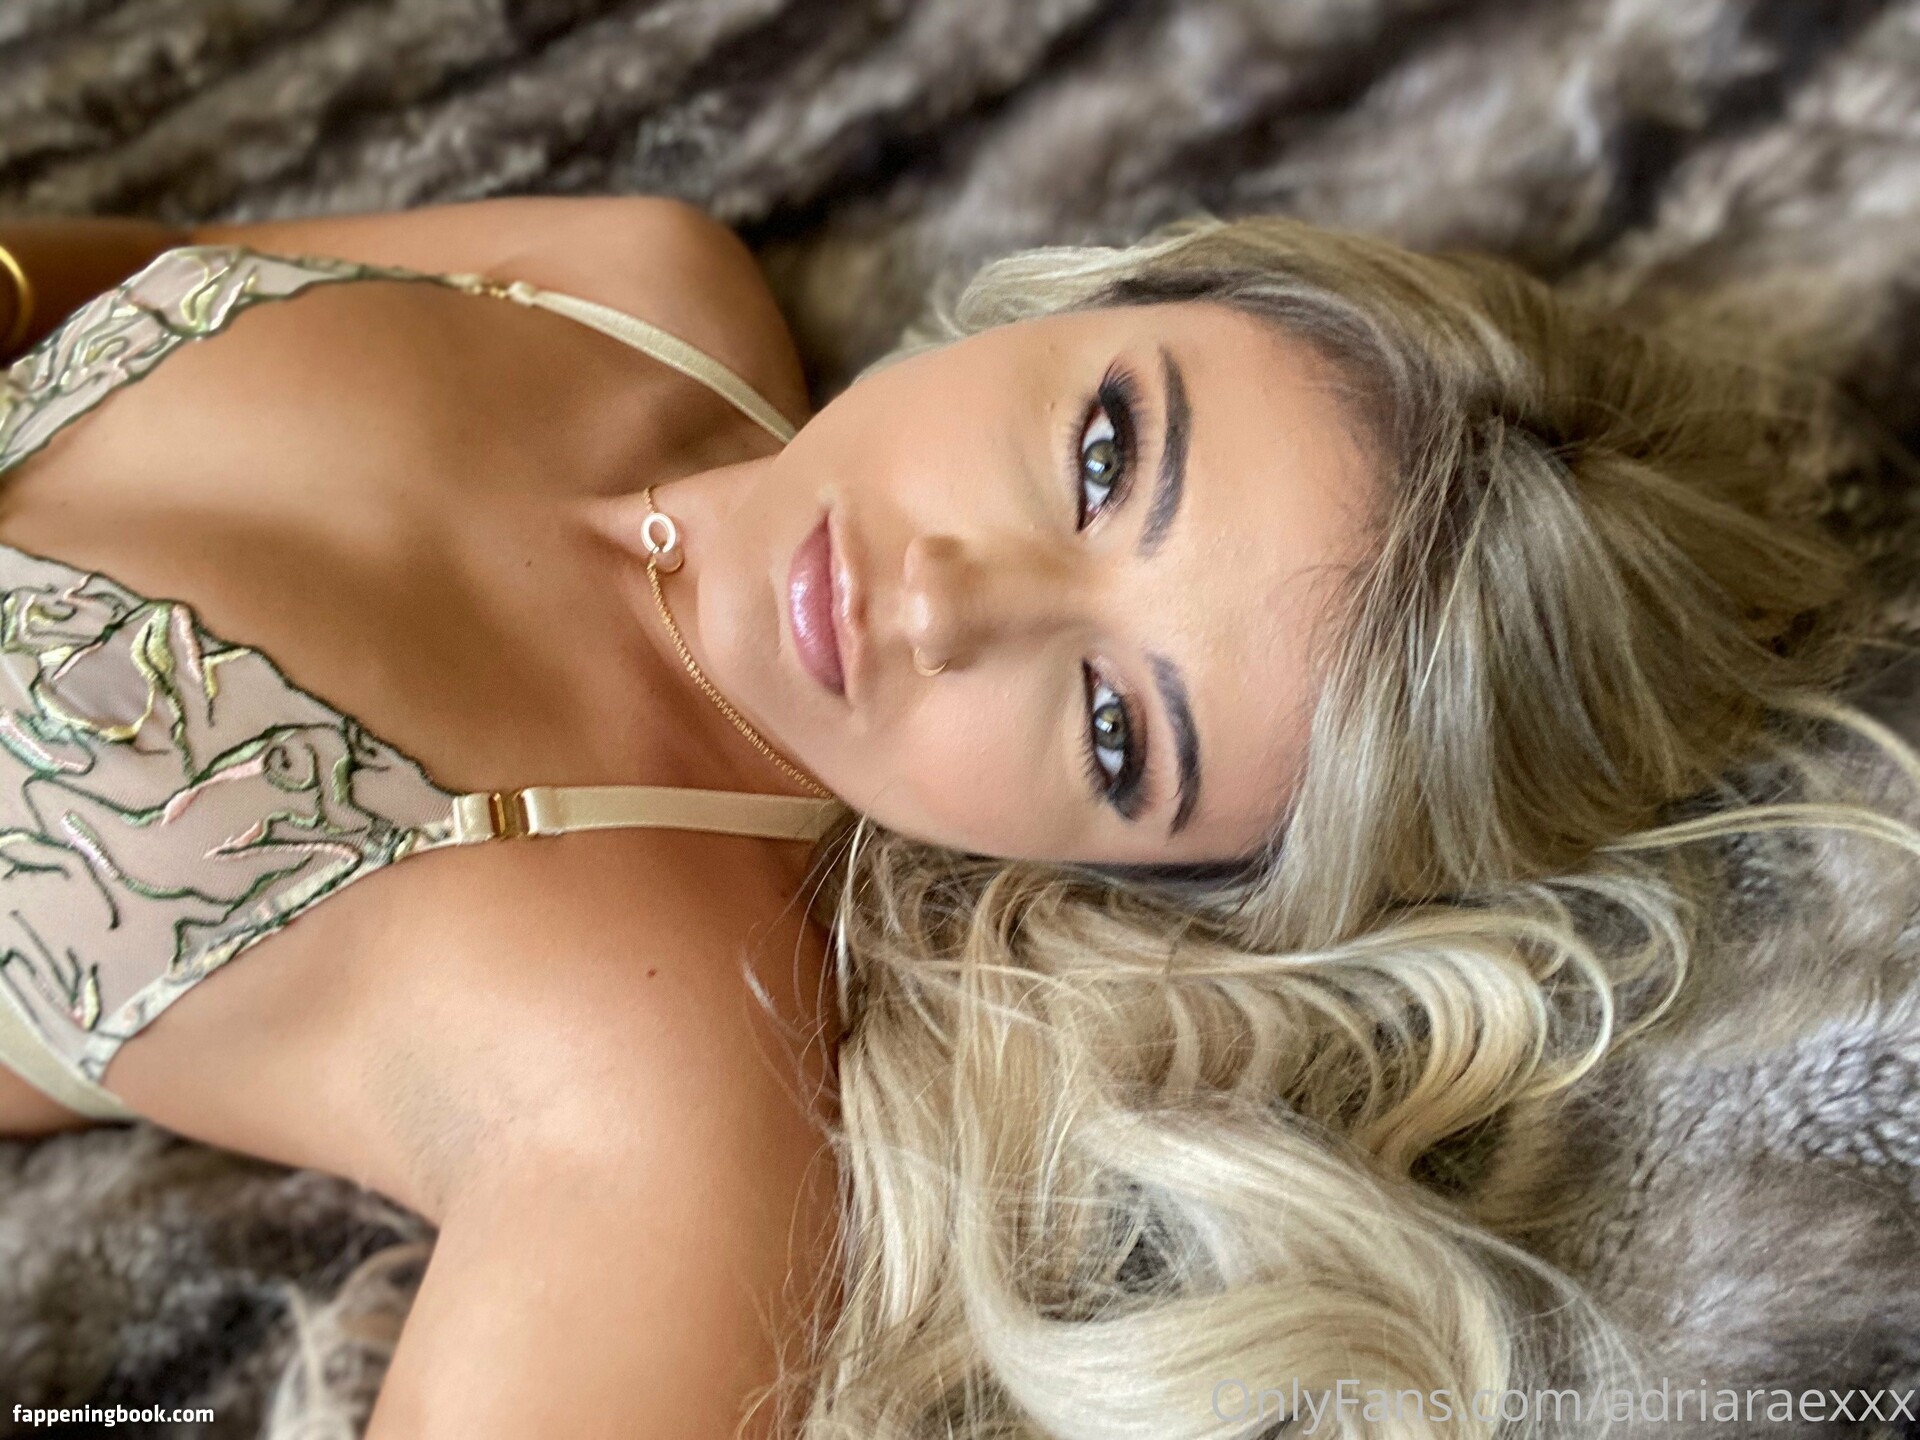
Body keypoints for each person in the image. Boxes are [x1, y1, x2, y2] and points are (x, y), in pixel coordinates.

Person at [1, 198, 1915, 1440]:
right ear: (1113, 292)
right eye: (1105, 454)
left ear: (1140, 870)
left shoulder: (665, 1099)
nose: (943, 605)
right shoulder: (644, 281)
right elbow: (77, 275)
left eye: (1115, 729)